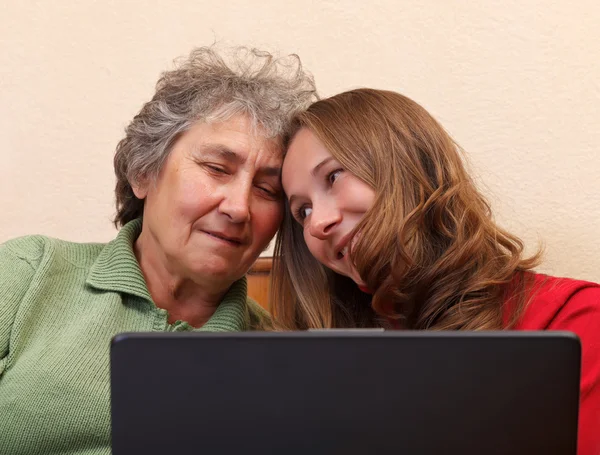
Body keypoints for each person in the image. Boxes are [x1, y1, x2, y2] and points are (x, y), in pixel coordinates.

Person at [0, 45, 317, 454]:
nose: (239, 207)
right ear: (144, 172)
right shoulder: (30, 271)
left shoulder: (279, 356)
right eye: (217, 169)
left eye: (267, 189)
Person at [272, 88, 600, 454]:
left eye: (333, 177)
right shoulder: (325, 363)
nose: (317, 224)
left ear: (408, 164)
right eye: (302, 211)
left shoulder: (576, 318)